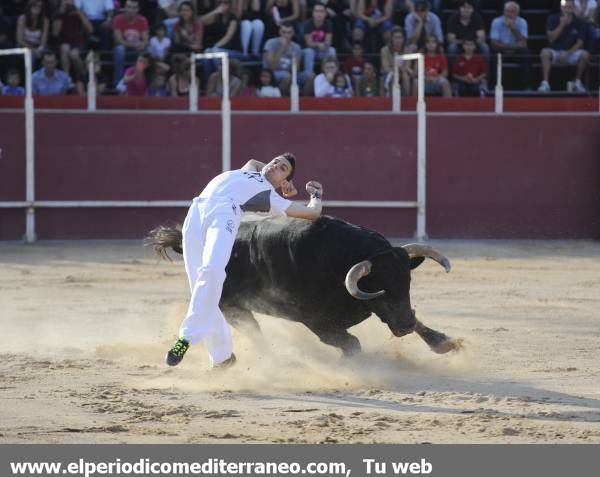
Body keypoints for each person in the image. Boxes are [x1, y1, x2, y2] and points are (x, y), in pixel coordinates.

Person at [165, 153, 324, 369]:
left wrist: (316, 195)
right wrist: (286, 178)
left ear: (280, 182)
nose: (276, 165)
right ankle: (223, 358)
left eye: (283, 168)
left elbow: (312, 213)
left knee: (212, 271)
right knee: (202, 291)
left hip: (225, 215)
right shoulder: (249, 170)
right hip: (196, 211)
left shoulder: (270, 196)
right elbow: (258, 163)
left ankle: (185, 338)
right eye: (276, 161)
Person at [538, 0, 590, 93]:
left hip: (571, 52)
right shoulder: (552, 18)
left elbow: (580, 43)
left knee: (585, 55)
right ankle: (545, 83)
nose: (566, 10)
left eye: (569, 7)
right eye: (565, 7)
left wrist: (568, 53)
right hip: (555, 51)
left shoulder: (580, 22)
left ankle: (577, 82)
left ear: (573, 9)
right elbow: (551, 39)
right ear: (561, 8)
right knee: (544, 53)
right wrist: (561, 25)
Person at [263, 21, 314, 95]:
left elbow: (296, 70)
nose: (286, 35)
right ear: (279, 32)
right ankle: (282, 101)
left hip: (291, 74)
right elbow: (271, 67)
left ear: (293, 33)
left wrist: (293, 60)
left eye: (289, 32)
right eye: (284, 32)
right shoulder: (270, 43)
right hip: (273, 74)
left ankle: (304, 101)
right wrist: (282, 48)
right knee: (286, 76)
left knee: (310, 76)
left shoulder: (296, 47)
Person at [489, 1, 531, 90]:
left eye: (513, 12)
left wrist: (513, 29)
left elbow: (523, 43)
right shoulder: (496, 21)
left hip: (516, 51)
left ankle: (526, 85)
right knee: (494, 53)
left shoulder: (522, 22)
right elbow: (494, 43)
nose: (510, 14)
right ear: (504, 11)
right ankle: (494, 85)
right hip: (501, 49)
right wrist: (512, 46)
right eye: (508, 11)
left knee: (525, 52)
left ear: (517, 13)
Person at [52, 0, 93, 78]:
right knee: (65, 48)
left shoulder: (80, 13)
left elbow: (90, 29)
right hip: (63, 41)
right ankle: (66, 78)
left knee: (73, 54)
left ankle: (82, 75)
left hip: (78, 42)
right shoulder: (58, 14)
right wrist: (61, 14)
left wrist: (79, 13)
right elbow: (55, 33)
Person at [112, 0, 149, 86]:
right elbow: (118, 40)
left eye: (134, 8)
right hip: (123, 48)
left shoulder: (142, 20)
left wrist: (142, 44)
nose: (131, 10)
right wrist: (134, 45)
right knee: (119, 50)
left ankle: (140, 79)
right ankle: (119, 81)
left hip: (137, 50)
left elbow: (145, 40)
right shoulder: (118, 19)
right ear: (125, 8)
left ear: (138, 9)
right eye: (129, 7)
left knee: (146, 52)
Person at [446, 0, 489, 66]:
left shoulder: (477, 17)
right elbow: (450, 39)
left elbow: (481, 37)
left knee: (484, 47)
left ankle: (485, 73)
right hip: (459, 44)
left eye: (469, 7)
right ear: (459, 9)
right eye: (464, 7)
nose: (466, 10)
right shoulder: (453, 18)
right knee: (452, 47)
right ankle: (452, 74)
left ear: (473, 9)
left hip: (474, 44)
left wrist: (470, 44)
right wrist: (464, 43)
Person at [302, 1, 336, 74]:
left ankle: (331, 73)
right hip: (311, 50)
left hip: (323, 49)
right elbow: (308, 43)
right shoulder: (307, 24)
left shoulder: (328, 23)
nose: (319, 14)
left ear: (325, 14)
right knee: (309, 52)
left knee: (332, 50)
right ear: (313, 13)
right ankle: (309, 74)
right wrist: (318, 45)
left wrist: (323, 46)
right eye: (316, 11)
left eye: (321, 11)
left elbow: (328, 41)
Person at [380, 25, 412, 95]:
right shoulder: (384, 50)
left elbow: (407, 67)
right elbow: (386, 68)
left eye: (400, 37)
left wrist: (401, 69)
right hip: (388, 74)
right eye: (395, 37)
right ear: (391, 39)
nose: (397, 40)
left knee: (405, 75)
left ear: (403, 39)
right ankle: (391, 100)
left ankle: (408, 99)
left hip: (402, 72)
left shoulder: (408, 50)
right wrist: (397, 69)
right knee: (394, 75)